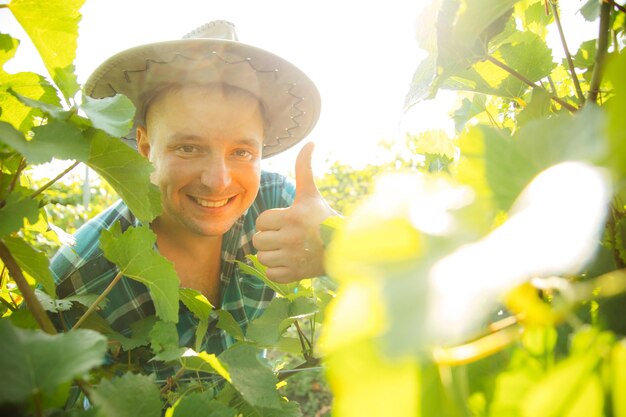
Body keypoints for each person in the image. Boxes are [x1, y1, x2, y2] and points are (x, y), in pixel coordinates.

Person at [50, 20, 337, 379]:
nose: (218, 181)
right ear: (144, 147)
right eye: (188, 148)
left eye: (242, 152)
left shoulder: (276, 203)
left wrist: (337, 244)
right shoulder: (80, 280)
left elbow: (409, 281)